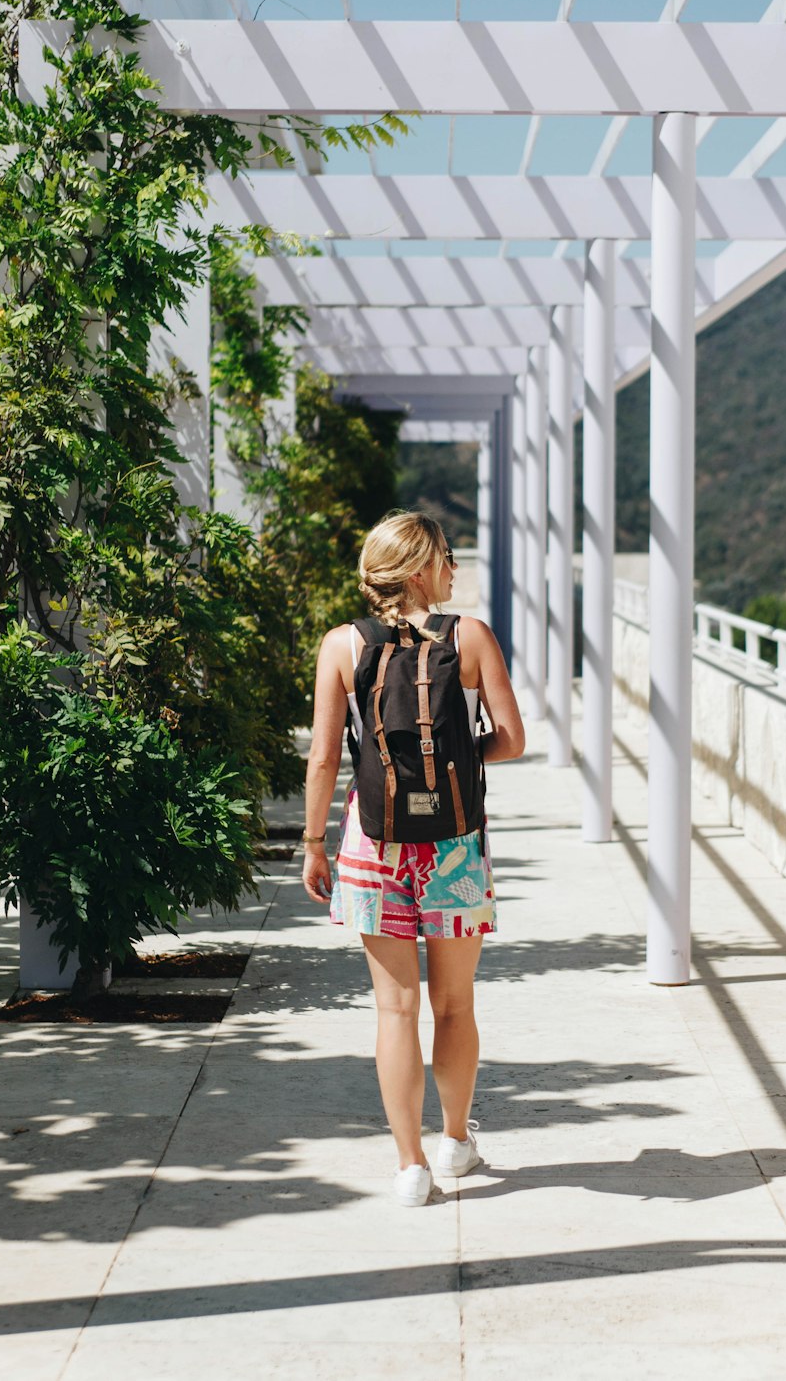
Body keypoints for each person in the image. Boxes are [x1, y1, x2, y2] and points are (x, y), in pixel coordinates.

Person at [302, 510, 525, 1206]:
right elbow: (512, 740)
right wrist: (458, 759)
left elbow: (324, 756)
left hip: (373, 843)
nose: (455, 567)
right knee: (454, 1004)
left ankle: (410, 1167)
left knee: (394, 1011)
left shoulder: (341, 645)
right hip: (454, 845)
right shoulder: (473, 638)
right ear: (424, 567)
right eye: (449, 556)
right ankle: (457, 1142)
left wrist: (313, 843)